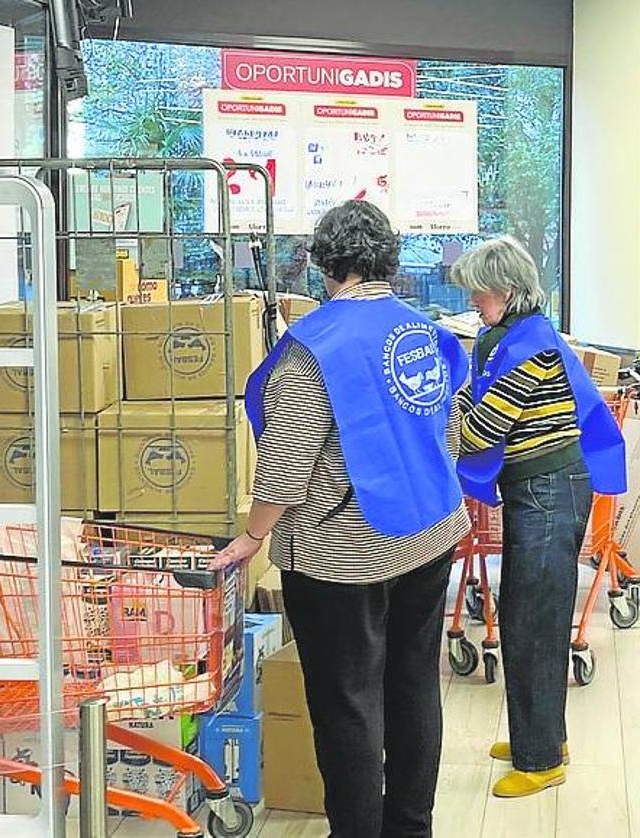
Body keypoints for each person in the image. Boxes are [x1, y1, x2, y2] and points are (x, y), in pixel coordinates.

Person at [211, 200, 471, 838]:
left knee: (347, 702)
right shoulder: (427, 331)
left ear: (323, 263)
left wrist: (252, 535)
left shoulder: (315, 346)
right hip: (430, 533)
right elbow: (452, 431)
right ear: (388, 257)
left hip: (341, 555)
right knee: (413, 685)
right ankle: (411, 827)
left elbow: (285, 461)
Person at [449, 236, 626, 799]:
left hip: (549, 490)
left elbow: (479, 432)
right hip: (542, 487)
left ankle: (541, 758)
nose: (473, 300)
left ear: (507, 289)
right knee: (531, 615)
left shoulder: (531, 351)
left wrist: (440, 400)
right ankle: (545, 736)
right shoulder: (511, 338)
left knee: (533, 623)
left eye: (479, 289)